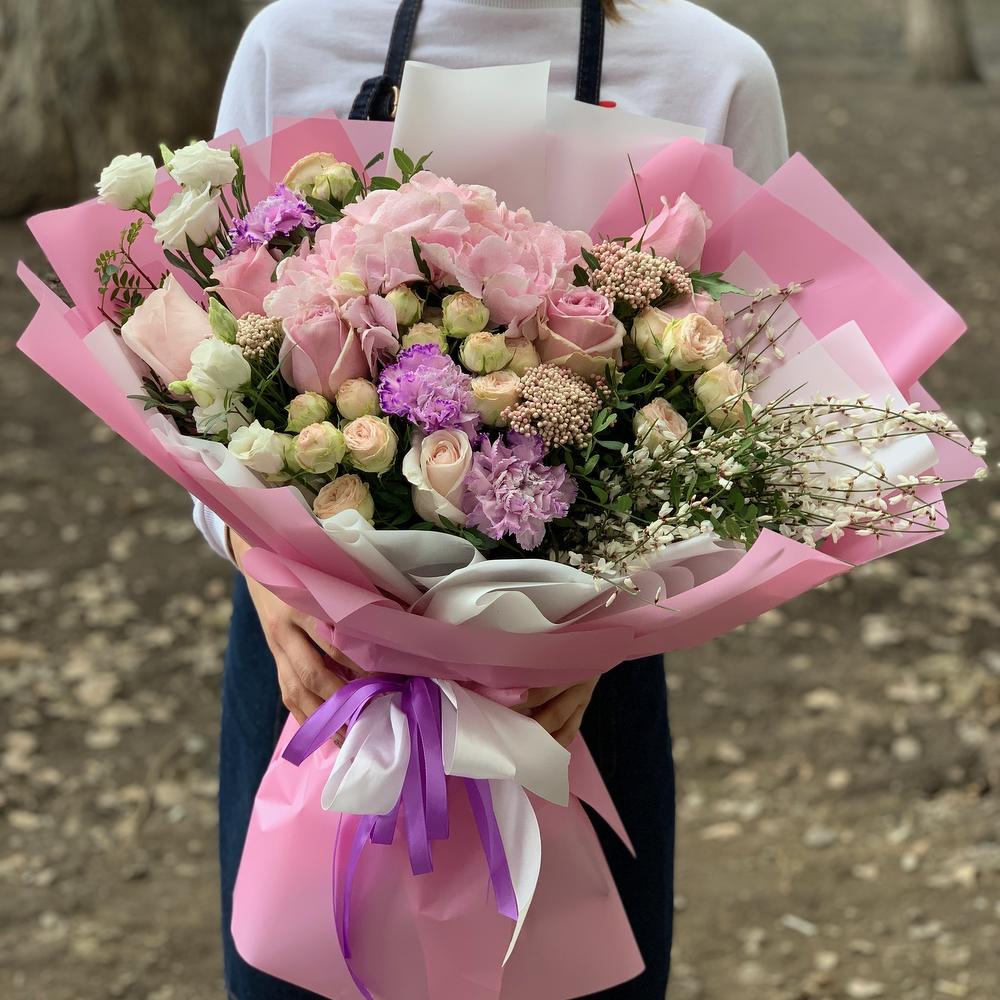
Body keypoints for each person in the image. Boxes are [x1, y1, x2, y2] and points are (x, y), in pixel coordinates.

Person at [200, 2, 788, 997]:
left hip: (572, 694)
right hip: (317, 661)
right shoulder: (294, 43)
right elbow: (199, 380)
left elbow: (762, 415)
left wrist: (608, 626)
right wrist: (257, 559)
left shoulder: (710, 72)